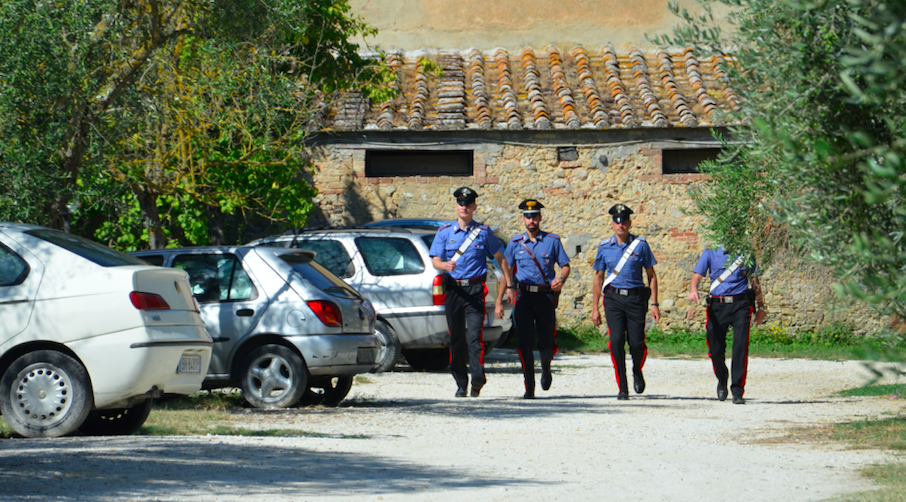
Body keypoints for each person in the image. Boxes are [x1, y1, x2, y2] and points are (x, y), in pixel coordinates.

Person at [430, 187, 510, 398]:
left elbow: (500, 258)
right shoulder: (445, 232)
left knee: (475, 337)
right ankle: (460, 381)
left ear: (474, 206)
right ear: (456, 206)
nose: (463, 207)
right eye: (460, 203)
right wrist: (444, 265)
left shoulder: (483, 233)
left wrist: (509, 283)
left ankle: (477, 377)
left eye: (468, 203)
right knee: (456, 338)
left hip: (474, 290)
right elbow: (435, 260)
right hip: (454, 290)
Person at [591, 204, 660, 400]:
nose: (620, 225)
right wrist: (595, 308)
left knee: (637, 343)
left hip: (636, 299)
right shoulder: (604, 247)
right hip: (612, 299)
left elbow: (651, 275)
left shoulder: (641, 245)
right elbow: (598, 278)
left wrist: (654, 303)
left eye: (624, 221)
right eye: (616, 221)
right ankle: (622, 386)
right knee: (616, 341)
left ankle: (637, 370)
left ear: (629, 223)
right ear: (612, 224)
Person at [503, 199, 571, 399]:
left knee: (547, 341)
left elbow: (565, 265)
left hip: (544, 297)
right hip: (523, 297)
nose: (531, 220)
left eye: (534, 216)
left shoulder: (552, 240)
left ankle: (546, 367)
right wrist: (508, 286)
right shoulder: (516, 243)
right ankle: (529, 386)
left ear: (540, 218)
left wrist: (561, 279)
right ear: (523, 219)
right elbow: (506, 266)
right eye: (527, 216)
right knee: (524, 342)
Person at [688, 247, 767, 404]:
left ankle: (737, 390)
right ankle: (722, 377)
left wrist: (761, 307)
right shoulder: (710, 251)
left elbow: (754, 281)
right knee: (715, 349)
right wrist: (693, 289)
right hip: (718, 305)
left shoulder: (746, 253)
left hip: (741, 304)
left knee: (740, 347)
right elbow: (697, 275)